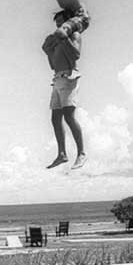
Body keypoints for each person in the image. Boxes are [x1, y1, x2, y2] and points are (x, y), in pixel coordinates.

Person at [43, 10, 86, 170]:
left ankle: (81, 153)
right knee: (55, 118)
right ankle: (62, 154)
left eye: (61, 22)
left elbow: (75, 55)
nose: (59, 26)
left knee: (68, 116)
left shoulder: (74, 35)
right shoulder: (58, 40)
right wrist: (48, 51)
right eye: (57, 24)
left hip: (69, 77)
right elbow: (53, 65)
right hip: (57, 78)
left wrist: (64, 39)